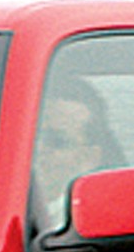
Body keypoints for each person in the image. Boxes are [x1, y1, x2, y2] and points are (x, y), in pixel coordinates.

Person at [30, 73, 122, 233]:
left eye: (57, 142)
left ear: (89, 158)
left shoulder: (102, 228)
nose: (38, 149)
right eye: (31, 138)